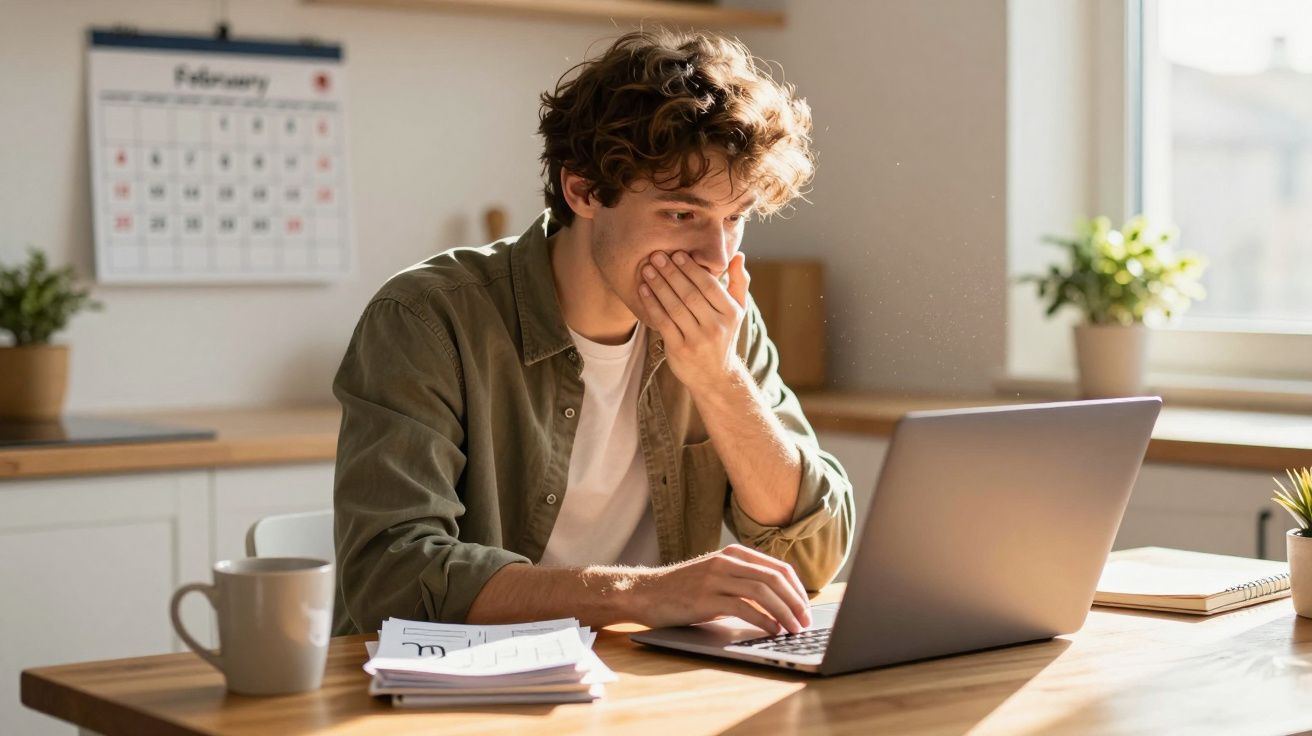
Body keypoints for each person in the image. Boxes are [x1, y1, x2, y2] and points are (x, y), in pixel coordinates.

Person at [331, 28, 853, 638]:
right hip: (461, 688)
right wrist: (641, 593)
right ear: (582, 189)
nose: (715, 254)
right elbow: (391, 577)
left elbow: (814, 557)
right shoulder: (426, 319)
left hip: (645, 681)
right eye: (681, 214)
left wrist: (720, 381)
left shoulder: (723, 319)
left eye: (733, 218)